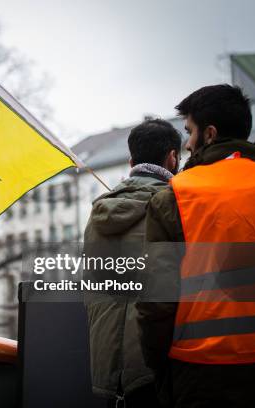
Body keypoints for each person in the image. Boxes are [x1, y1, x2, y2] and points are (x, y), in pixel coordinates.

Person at [136, 84, 255, 407]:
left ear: (209, 134)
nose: (186, 143)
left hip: (201, 370)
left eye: (190, 132)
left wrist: (160, 367)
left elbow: (157, 302)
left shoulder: (175, 196)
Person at [84, 118, 182, 408]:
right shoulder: (176, 206)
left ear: (131, 160)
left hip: (105, 365)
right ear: (172, 158)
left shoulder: (98, 213)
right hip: (154, 365)